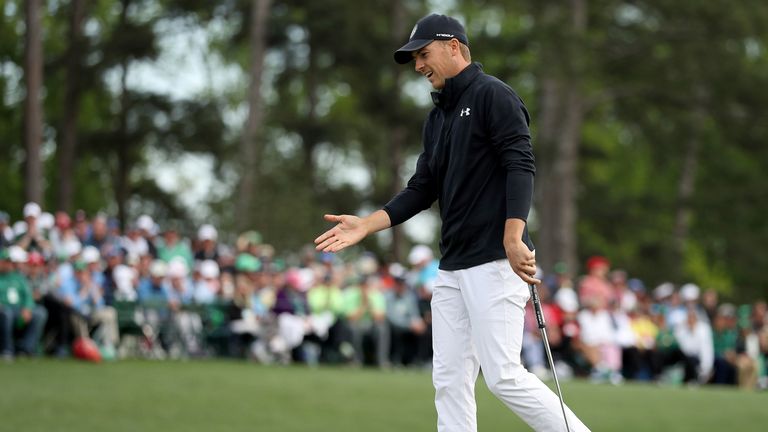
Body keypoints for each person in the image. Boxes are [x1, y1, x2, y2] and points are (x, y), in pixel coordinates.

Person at [315, 13, 589, 431]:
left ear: (454, 47)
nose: (419, 65)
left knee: (503, 377)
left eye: (423, 54)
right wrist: (367, 225)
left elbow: (520, 164)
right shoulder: (438, 118)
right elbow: (422, 188)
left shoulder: (492, 95)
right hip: (453, 267)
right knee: (449, 380)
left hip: (497, 262)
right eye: (414, 59)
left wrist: (514, 235)